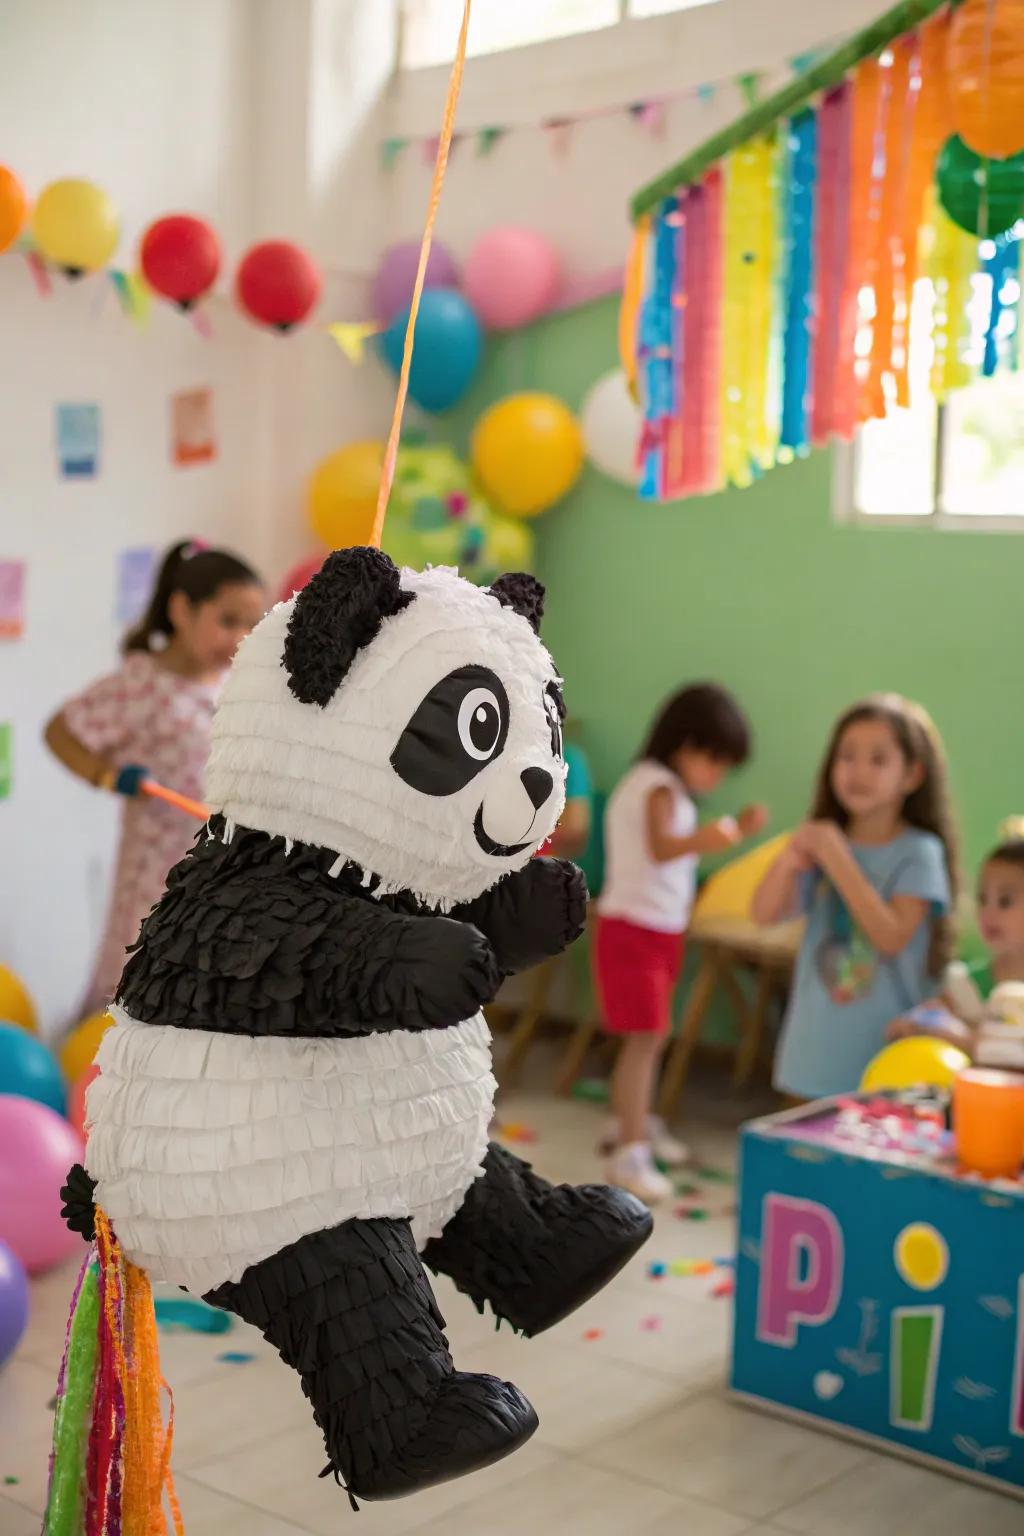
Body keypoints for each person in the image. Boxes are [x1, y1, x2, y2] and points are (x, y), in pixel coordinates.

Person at [45, 540, 265, 1019]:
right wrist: (105, 775)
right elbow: (62, 731)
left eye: (252, 624)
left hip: (217, 872)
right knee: (135, 976)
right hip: (154, 873)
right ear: (182, 609)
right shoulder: (142, 682)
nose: (241, 637)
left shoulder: (237, 686)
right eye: (228, 621)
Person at [595, 684, 767, 1202]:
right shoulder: (658, 787)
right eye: (712, 759)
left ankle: (634, 1122)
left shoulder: (665, 788)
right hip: (635, 930)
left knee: (648, 1037)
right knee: (646, 1038)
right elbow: (663, 847)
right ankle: (630, 1151)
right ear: (682, 743)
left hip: (654, 929)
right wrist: (712, 838)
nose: (716, 775)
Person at [752, 694, 958, 1103]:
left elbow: (891, 936)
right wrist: (789, 861)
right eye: (846, 757)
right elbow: (763, 913)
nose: (858, 771)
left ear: (913, 775)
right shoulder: (825, 838)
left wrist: (835, 856)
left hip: (885, 1059)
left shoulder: (919, 852)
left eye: (878, 760)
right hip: (813, 1049)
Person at [888, 837, 1024, 1060]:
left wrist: (966, 1040)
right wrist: (913, 1022)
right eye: (982, 899)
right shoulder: (964, 986)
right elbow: (931, 1014)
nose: (988, 914)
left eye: (1005, 901)